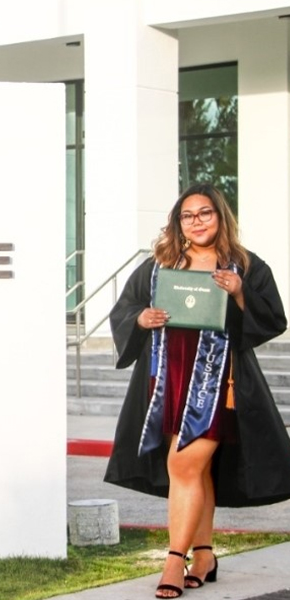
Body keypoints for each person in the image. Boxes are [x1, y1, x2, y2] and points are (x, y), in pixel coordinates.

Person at [103, 183, 290, 599]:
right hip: (167, 381)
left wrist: (240, 293)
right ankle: (204, 555)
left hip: (216, 382)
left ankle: (174, 560)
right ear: (178, 222)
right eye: (188, 215)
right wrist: (142, 319)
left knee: (184, 466)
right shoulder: (160, 265)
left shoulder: (243, 264)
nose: (196, 221)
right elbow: (126, 309)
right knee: (196, 472)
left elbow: (274, 317)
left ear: (220, 216)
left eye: (205, 213)